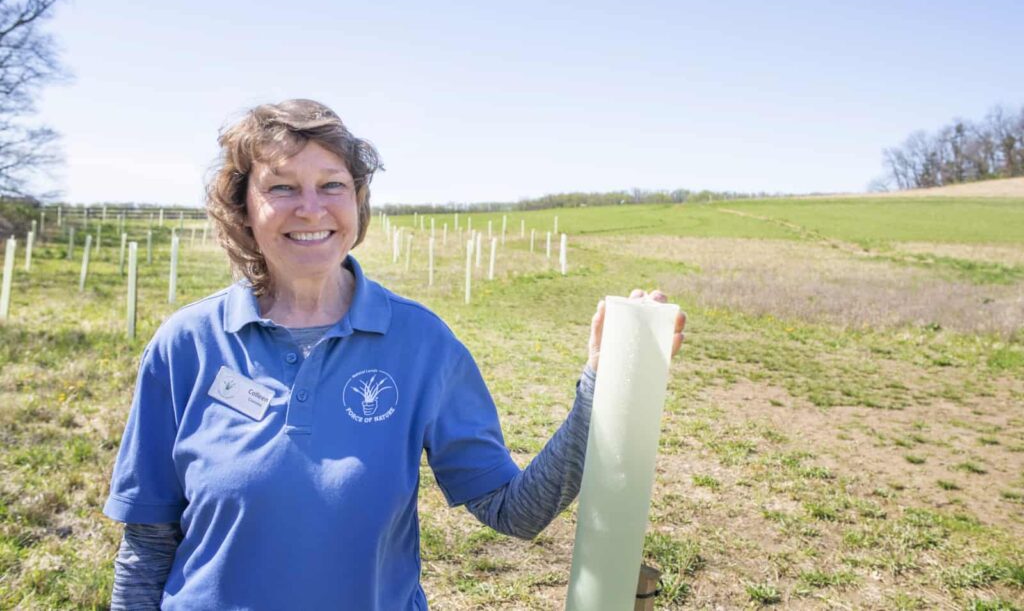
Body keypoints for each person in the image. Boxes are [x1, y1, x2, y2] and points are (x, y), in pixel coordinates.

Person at [103, 99, 685, 610]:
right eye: (281, 187)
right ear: (244, 210)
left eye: (332, 185)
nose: (311, 208)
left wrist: (603, 386)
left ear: (357, 203)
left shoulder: (421, 344)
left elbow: (516, 511)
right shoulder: (187, 344)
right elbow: (148, 539)